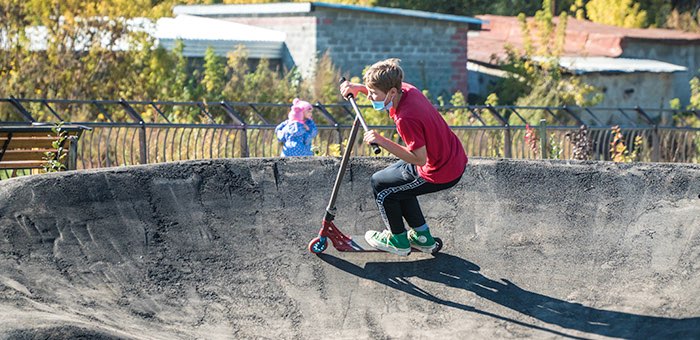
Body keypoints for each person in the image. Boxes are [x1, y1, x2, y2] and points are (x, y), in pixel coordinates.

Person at [340, 58, 468, 256]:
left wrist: (382, 141)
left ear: (391, 92)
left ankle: (398, 240)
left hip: (440, 171)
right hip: (451, 156)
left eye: (373, 93)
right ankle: (423, 238)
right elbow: (381, 90)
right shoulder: (406, 90)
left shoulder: (405, 118)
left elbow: (419, 159)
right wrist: (359, 88)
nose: (370, 97)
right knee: (393, 181)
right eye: (370, 91)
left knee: (382, 187)